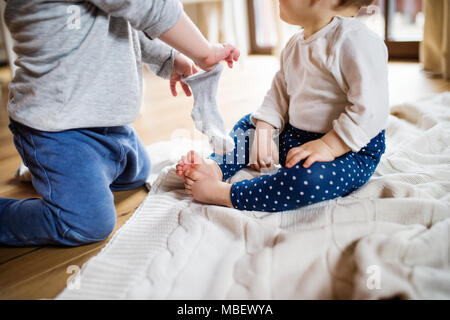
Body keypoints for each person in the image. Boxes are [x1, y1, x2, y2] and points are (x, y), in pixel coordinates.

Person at [0, 0, 239, 246]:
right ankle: (47, 175)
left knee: (138, 171)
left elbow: (124, 22)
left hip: (110, 124)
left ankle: (55, 175)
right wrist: (204, 51)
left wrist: (171, 57)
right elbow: (147, 7)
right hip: (57, 131)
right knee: (88, 223)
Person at [177, 0, 388, 213]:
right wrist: (265, 130)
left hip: (349, 149)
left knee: (308, 180)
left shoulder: (356, 40)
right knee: (249, 124)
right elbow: (278, 95)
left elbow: (371, 110)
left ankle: (226, 193)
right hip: (297, 137)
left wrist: (328, 146)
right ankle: (215, 168)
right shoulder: (294, 44)